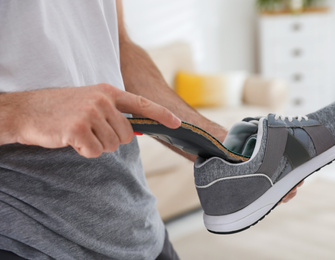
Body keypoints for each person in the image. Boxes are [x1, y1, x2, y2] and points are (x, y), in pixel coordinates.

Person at [0, 1, 300, 259]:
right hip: (24, 241)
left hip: (138, 228)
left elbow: (119, 49)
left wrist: (219, 143)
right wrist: (21, 111)